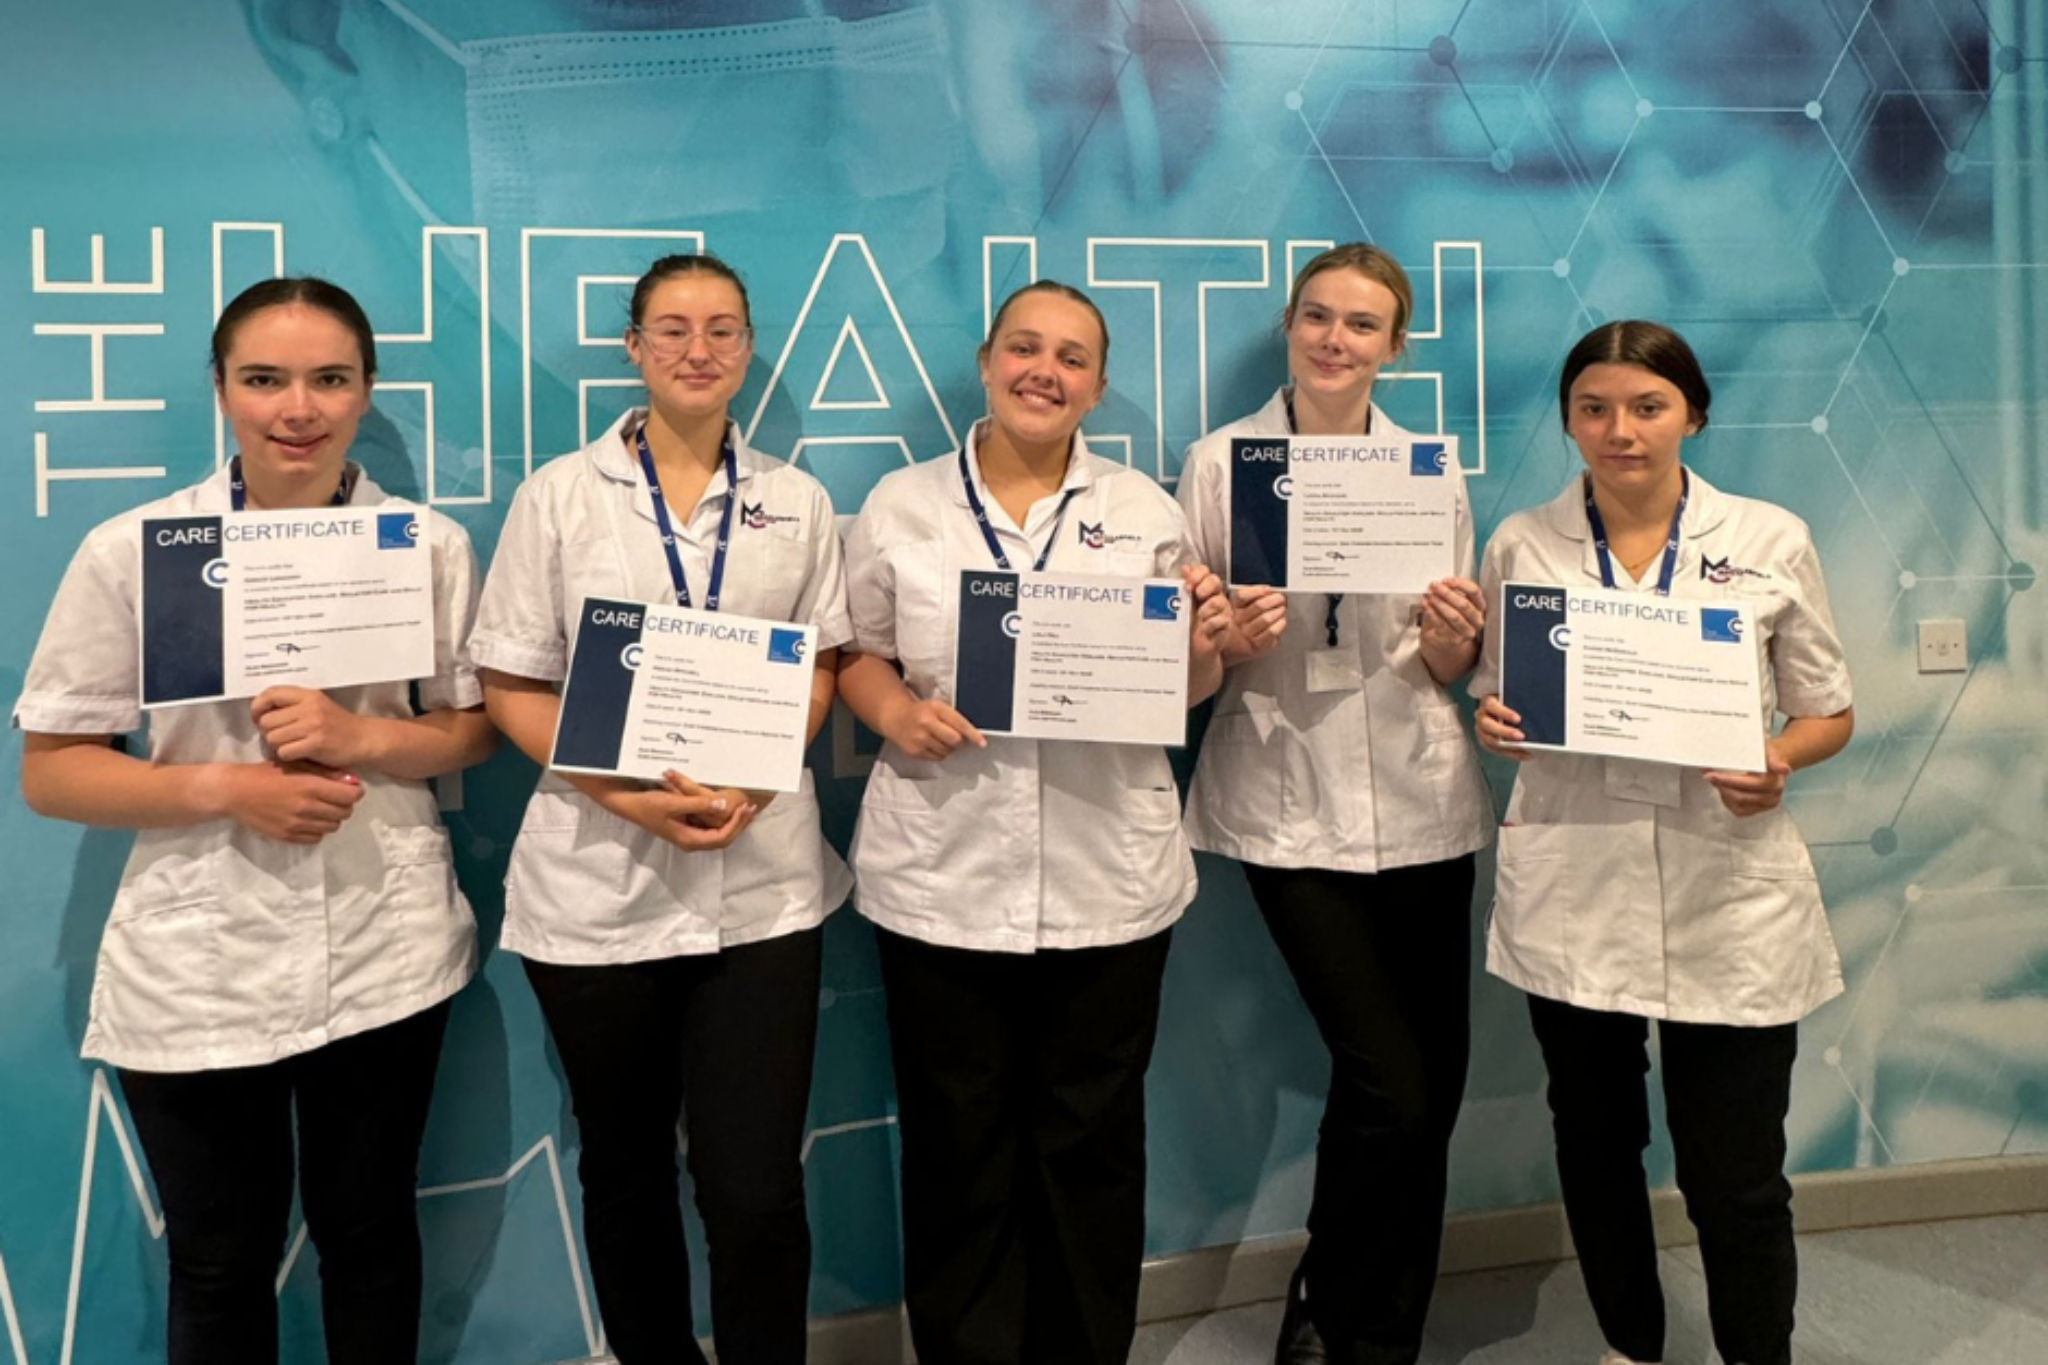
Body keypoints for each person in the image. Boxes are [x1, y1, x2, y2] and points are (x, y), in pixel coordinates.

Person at [15, 277, 495, 1365]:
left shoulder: (422, 547)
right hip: (202, 954)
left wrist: (364, 740)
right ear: (223, 390)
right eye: (264, 379)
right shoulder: (136, 550)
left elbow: (468, 733)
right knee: (220, 1260)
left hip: (385, 943)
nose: (299, 407)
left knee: (369, 1233)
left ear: (366, 392)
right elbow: (54, 772)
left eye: (330, 379)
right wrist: (230, 790)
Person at [836, 280, 1233, 1365]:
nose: (1041, 371)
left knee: (1091, 1142)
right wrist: (896, 714)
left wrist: (1211, 642)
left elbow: (1183, 687)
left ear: (1097, 387)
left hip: (1110, 876)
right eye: (1023, 347)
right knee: (956, 1145)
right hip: (941, 874)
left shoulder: (1147, 512)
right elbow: (855, 652)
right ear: (984, 359)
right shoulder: (900, 505)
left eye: (1069, 357)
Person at [468, 253, 851, 1365]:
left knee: (755, 1190)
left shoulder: (797, 500)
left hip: (760, 889)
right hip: (597, 885)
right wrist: (625, 797)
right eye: (673, 329)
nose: (698, 350)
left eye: (723, 331)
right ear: (632, 348)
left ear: (747, 351)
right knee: (624, 1167)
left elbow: (823, 667)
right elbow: (509, 687)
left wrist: (760, 769)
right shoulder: (557, 495)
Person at [1473, 321, 1855, 1365]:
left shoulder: (1768, 538)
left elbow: (1827, 710)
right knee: (1595, 1149)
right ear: (1566, 420)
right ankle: (1630, 1347)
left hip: (1722, 880)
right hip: (1575, 873)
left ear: (1691, 413)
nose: (1619, 430)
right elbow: (1501, 699)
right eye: (1593, 408)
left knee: (1732, 1172)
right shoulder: (1520, 542)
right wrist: (1491, 721)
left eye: (1645, 407)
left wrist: (1776, 757)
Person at [1175, 243, 1493, 1364]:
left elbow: (1448, 657)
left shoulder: (1425, 471)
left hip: (1418, 797)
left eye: (1361, 325)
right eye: (1316, 316)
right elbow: (1187, 642)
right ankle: (1336, 1299)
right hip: (1284, 794)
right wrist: (1222, 638)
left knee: (1431, 1094)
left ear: (1393, 347)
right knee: (1388, 1085)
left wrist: (1458, 642)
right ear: (1288, 324)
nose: (1332, 340)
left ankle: (1371, 1323)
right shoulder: (1221, 464)